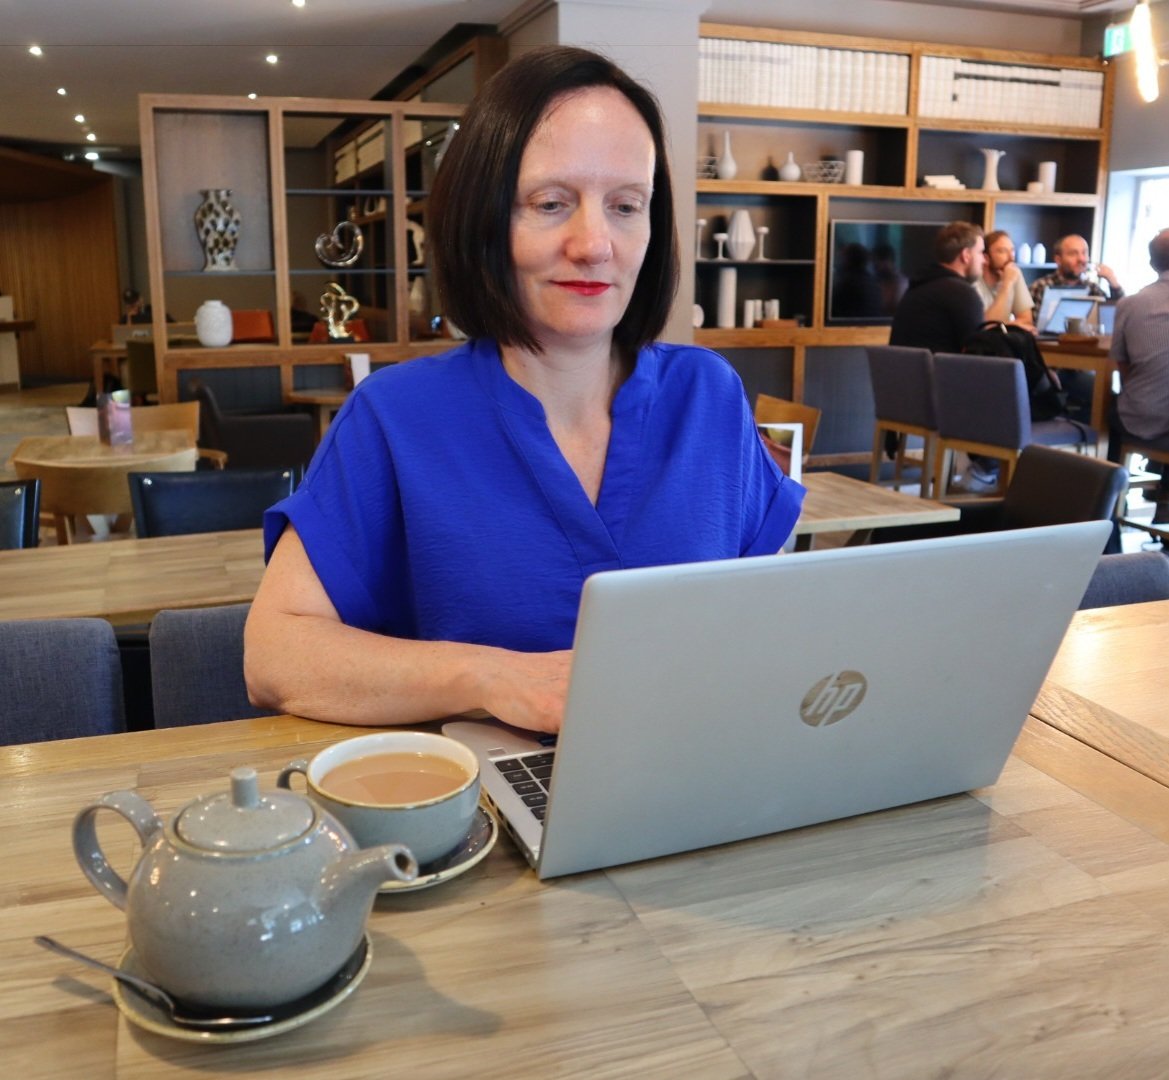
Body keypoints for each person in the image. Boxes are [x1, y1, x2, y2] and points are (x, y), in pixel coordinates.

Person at [243, 47, 805, 735]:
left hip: (696, 769)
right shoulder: (395, 417)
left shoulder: (707, 396)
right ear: (484, 220)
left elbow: (770, 614)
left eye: (626, 206)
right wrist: (491, 678)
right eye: (551, 203)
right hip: (485, 793)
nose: (594, 243)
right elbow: (274, 655)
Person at [1108, 227, 1169, 521]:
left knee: (1110, 407)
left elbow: (1122, 366)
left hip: (1140, 416)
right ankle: (1164, 500)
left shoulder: (1130, 304)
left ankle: (1106, 504)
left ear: (1152, 263)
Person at [889, 221, 986, 355]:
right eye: (981, 252)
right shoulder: (961, 293)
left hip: (906, 368)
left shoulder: (917, 287)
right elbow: (979, 352)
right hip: (941, 369)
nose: (984, 260)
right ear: (966, 255)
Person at [1029, 233, 1124, 312]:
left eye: (1084, 253)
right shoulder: (1040, 287)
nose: (1081, 259)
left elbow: (1120, 313)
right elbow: (1029, 325)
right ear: (1058, 260)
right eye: (1073, 254)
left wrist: (1113, 282)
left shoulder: (1092, 289)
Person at [975, 230, 1034, 329]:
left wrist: (1003, 325)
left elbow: (1027, 321)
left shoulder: (1014, 273)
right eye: (1002, 251)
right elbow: (987, 327)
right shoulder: (974, 280)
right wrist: (1007, 284)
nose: (1011, 258)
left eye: (1012, 251)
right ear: (986, 258)